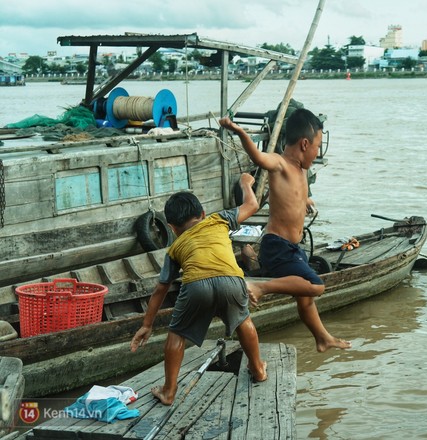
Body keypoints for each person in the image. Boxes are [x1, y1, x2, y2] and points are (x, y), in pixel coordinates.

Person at [219, 108, 351, 353]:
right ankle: (260, 286)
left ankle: (322, 338)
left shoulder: (301, 170)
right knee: (316, 287)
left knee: (305, 298)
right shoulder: (279, 163)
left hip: (292, 247)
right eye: (317, 146)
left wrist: (305, 201)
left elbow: (293, 195)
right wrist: (239, 132)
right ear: (304, 144)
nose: (318, 152)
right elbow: (259, 158)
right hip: (277, 246)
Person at [130, 173, 267, 406]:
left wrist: (147, 324)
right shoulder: (219, 219)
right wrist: (245, 183)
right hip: (231, 281)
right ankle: (258, 370)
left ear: (172, 228)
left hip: (195, 286)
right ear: (202, 214)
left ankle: (169, 391)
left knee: (177, 334)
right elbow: (252, 204)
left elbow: (160, 289)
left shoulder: (174, 248)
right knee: (243, 320)